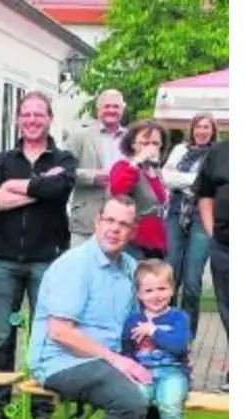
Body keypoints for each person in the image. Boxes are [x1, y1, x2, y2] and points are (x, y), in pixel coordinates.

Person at [25, 196, 151, 419]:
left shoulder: (131, 269)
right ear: (97, 222)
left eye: (123, 224)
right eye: (109, 221)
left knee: (161, 383)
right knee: (129, 400)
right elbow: (60, 333)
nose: (114, 229)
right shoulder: (75, 265)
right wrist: (117, 360)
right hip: (59, 361)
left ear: (132, 231)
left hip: (103, 359)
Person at [0, 90, 79, 419]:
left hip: (47, 260)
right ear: (18, 120)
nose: (32, 120)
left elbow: (59, 192)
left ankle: (42, 409)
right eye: (26, 115)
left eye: (39, 114)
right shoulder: (3, 159)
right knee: (2, 335)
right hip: (3, 259)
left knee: (47, 336)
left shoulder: (64, 157)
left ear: (49, 119)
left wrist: (15, 188)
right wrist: (40, 186)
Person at [117, 259, 191, 419]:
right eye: (149, 290)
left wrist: (154, 331)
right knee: (136, 405)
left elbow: (179, 346)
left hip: (172, 374)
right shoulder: (133, 320)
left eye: (162, 288)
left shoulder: (179, 318)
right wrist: (127, 371)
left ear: (172, 289)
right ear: (139, 294)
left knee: (170, 406)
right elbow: (127, 351)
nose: (156, 295)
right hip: (143, 373)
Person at [161, 114, 218, 337]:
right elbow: (166, 177)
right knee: (170, 273)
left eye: (207, 127)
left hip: (202, 215)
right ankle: (166, 329)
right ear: (192, 129)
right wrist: (196, 180)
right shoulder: (180, 150)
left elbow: (212, 184)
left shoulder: (218, 154)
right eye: (198, 127)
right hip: (176, 212)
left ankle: (188, 336)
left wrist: (183, 179)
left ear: (213, 131)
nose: (202, 131)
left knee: (193, 282)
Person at [65, 88, 128, 243]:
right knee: (82, 266)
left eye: (116, 107)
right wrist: (92, 177)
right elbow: (62, 171)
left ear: (122, 110)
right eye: (107, 106)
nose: (111, 110)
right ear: (98, 110)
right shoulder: (79, 136)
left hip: (121, 220)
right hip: (86, 220)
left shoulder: (131, 138)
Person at [109, 120, 169, 260]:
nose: (151, 148)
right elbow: (118, 191)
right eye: (145, 143)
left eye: (155, 144)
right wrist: (137, 160)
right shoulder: (124, 166)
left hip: (155, 240)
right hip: (133, 241)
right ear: (133, 144)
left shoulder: (154, 169)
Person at [194, 139, 229, 378]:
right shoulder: (221, 151)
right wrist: (211, 232)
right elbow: (205, 193)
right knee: (229, 309)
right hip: (225, 245)